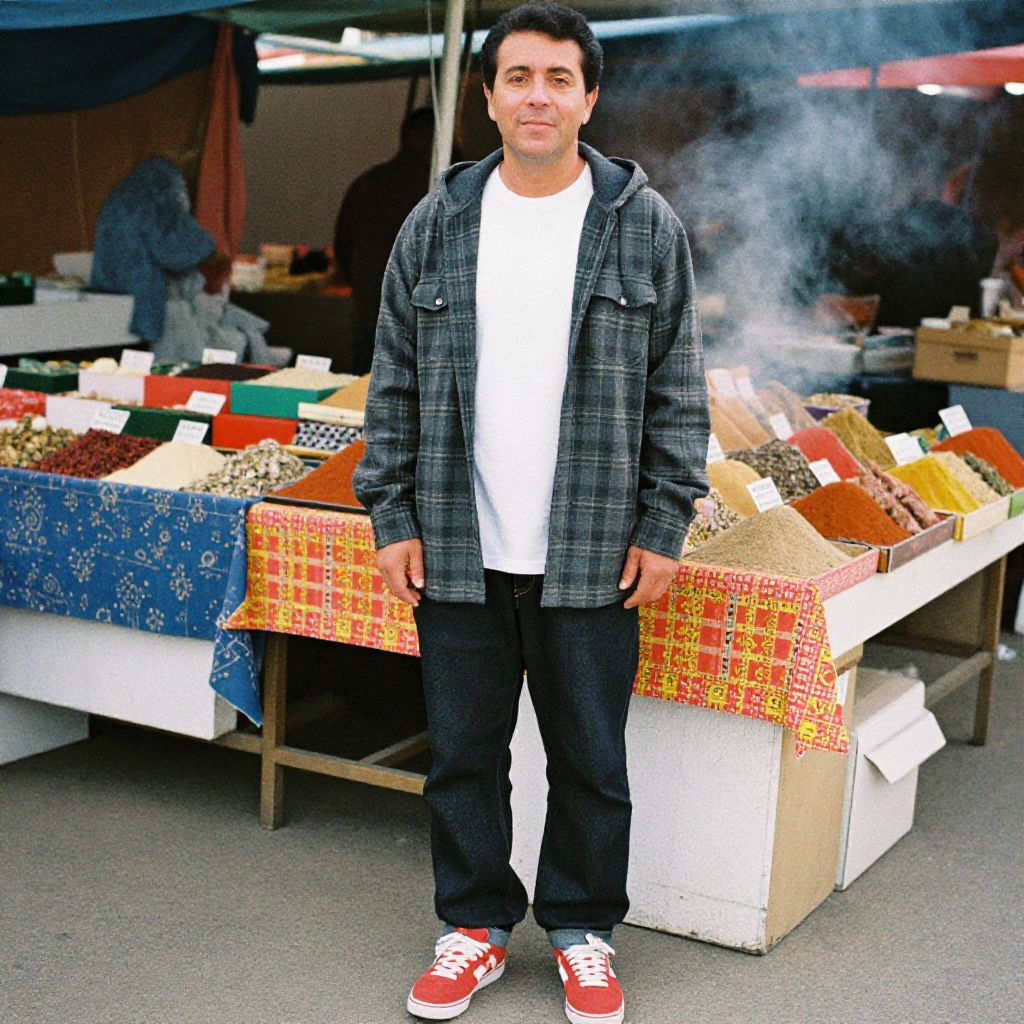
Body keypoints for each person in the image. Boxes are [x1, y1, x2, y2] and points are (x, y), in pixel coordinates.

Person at [353, 5, 709, 1022]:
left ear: (589, 98)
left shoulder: (642, 224)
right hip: (457, 543)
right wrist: (391, 515)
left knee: (590, 758)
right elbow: (394, 385)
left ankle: (582, 931)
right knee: (463, 755)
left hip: (592, 547)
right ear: (489, 97)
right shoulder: (436, 225)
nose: (538, 96)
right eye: (518, 77)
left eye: (559, 78)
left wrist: (663, 523)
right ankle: (473, 927)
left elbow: (678, 390)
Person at [333, 107, 435, 374]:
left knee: (364, 390)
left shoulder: (367, 183)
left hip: (369, 310)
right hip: (418, 318)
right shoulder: (438, 188)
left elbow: (342, 249)